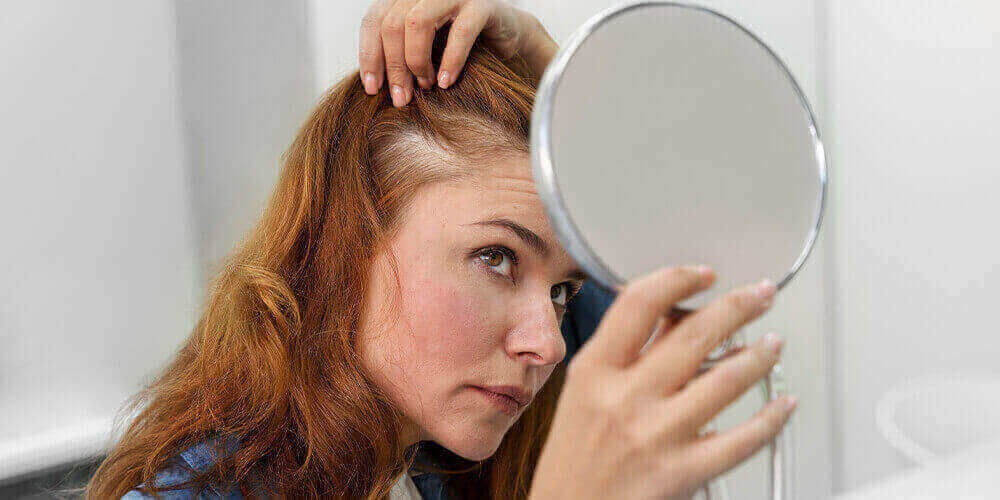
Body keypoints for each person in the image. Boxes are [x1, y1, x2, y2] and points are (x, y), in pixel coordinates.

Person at [86, 1, 796, 498]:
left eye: (564, 291)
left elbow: (685, 252)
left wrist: (560, 80)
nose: (547, 345)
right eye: (496, 258)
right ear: (346, 244)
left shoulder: (438, 451)